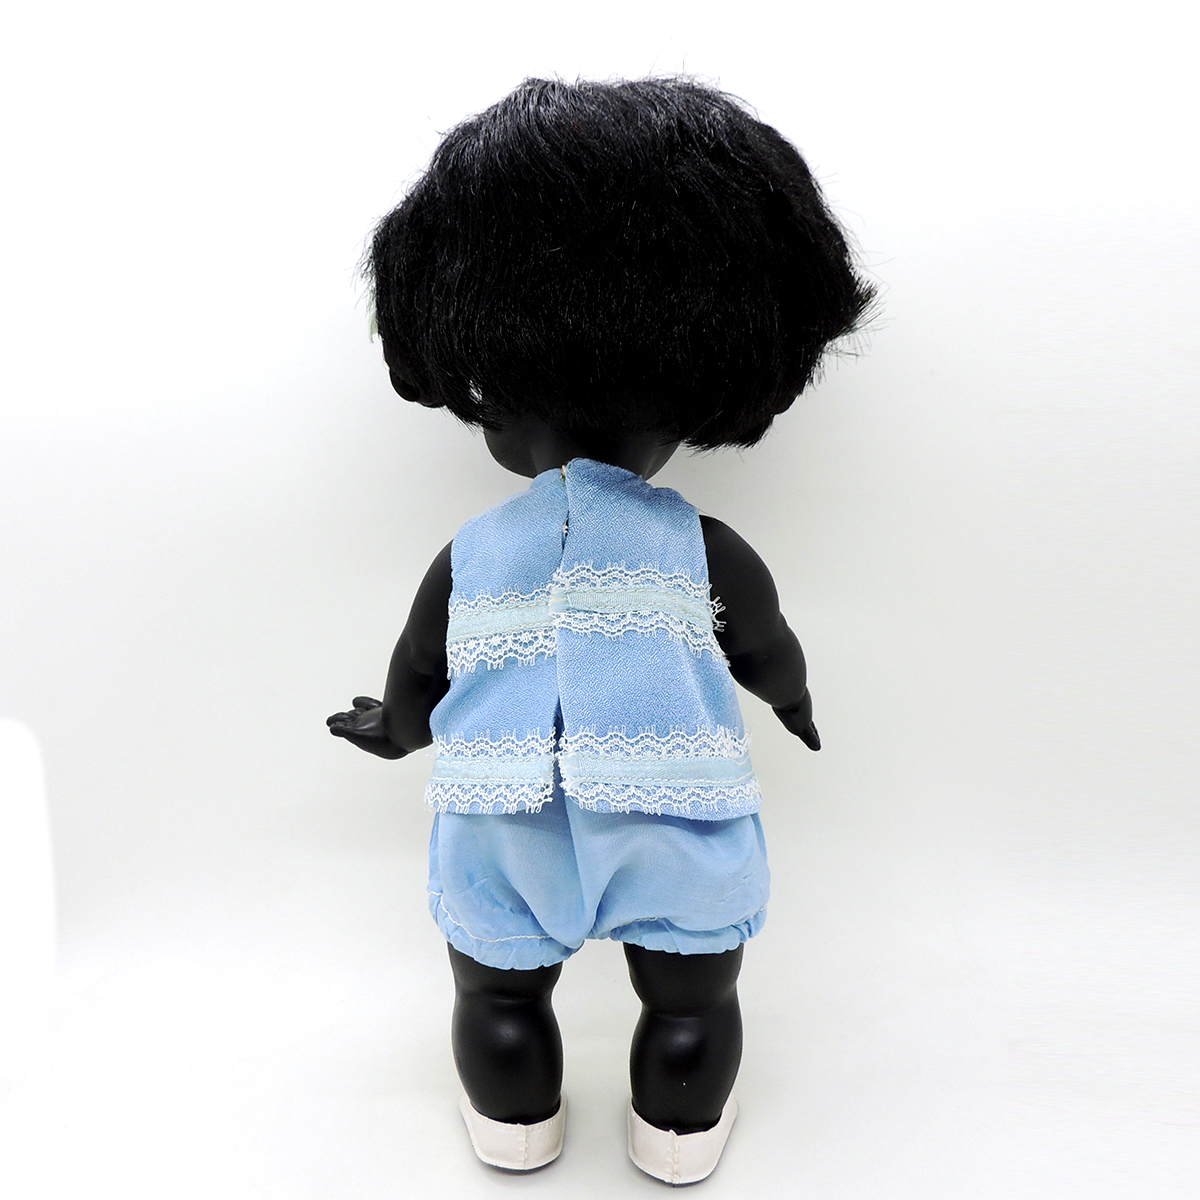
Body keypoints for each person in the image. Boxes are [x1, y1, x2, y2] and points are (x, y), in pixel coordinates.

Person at [328, 76, 873, 1184]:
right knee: (692, 998)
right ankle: (678, 1134)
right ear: (698, 395)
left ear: (486, 394)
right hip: (675, 809)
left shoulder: (475, 552)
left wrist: (399, 728)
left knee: (495, 992)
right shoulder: (699, 546)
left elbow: (423, 664)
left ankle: (515, 1124)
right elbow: (765, 644)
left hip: (501, 812)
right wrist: (794, 700)